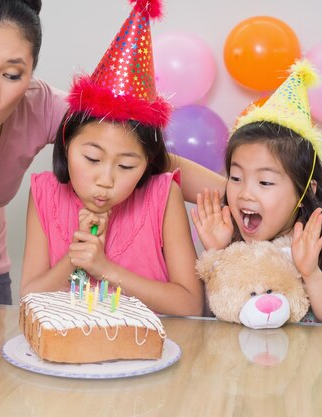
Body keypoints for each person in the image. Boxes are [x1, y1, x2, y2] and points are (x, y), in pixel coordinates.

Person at [0, 0, 223, 305]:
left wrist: (240, 193)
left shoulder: (39, 106)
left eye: (13, 74)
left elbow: (128, 147)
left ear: (31, 74)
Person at [20, 0, 204, 316]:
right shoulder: (44, 193)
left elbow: (190, 304)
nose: (106, 180)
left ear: (148, 163)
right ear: (66, 143)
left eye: (126, 166)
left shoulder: (163, 195)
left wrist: (103, 267)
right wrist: (75, 259)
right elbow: (28, 298)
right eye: (92, 159)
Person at [191, 60, 322, 324]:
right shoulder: (228, 228)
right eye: (235, 177)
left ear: (305, 191)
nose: (245, 193)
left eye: (265, 182)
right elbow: (219, 316)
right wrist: (217, 253)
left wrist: (311, 272)